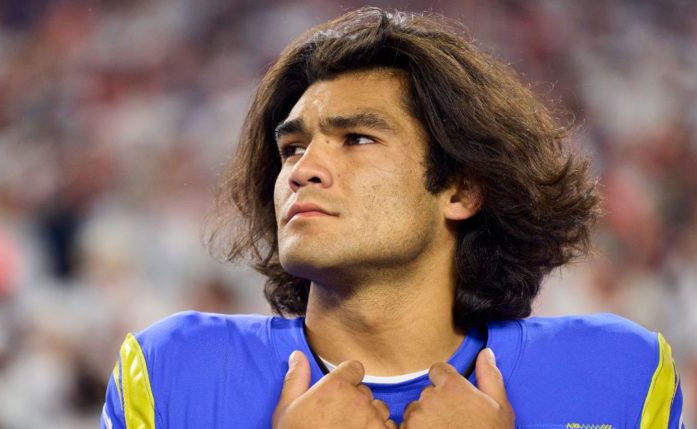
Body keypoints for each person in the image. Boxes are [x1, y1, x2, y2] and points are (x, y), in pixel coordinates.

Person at [101, 7, 684, 429]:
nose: (303, 170)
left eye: (355, 138)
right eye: (292, 148)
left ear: (461, 187)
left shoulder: (620, 377)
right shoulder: (169, 372)